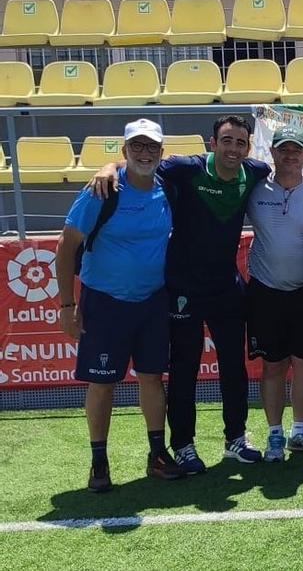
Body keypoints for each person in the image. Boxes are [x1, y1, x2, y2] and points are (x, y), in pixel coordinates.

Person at [88, 115, 271, 472]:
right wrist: (108, 165)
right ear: (212, 142)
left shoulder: (256, 172)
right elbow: (141, 163)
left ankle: (236, 438)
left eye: (240, 143)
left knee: (234, 366)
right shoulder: (186, 168)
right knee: (184, 368)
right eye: (226, 141)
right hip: (183, 288)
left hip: (226, 289)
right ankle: (184, 445)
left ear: (248, 147)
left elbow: (289, 168)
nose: (233, 149)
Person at [58, 119, 183, 492]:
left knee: (151, 378)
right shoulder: (102, 191)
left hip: (152, 301)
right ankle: (99, 461)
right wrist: (67, 305)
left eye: (152, 147)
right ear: (124, 150)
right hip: (104, 302)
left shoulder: (169, 190)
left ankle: (158, 455)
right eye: (137, 147)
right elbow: (66, 248)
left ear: (162, 153)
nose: (145, 153)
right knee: (102, 384)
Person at [245, 127, 303, 463]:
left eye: (295, 150)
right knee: (272, 367)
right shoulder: (254, 188)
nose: (289, 156)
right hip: (265, 292)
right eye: (283, 150)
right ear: (271, 153)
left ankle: (300, 431)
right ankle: (274, 434)